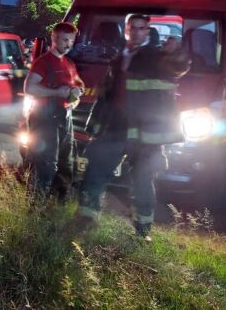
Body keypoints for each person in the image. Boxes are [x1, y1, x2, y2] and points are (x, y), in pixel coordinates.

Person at [74, 14, 190, 241]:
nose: (136, 32)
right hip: (115, 129)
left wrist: (177, 52)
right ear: (126, 30)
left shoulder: (157, 58)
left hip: (146, 135)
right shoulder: (118, 59)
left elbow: (178, 67)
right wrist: (94, 127)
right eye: (132, 28)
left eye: (141, 28)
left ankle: (143, 231)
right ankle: (86, 219)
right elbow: (105, 97)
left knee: (142, 182)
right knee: (94, 173)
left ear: (147, 32)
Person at [24, 22, 84, 202]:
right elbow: (29, 88)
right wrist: (56, 92)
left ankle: (57, 206)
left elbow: (77, 85)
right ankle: (35, 207)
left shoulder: (69, 63)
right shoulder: (43, 62)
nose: (68, 44)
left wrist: (76, 96)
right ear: (54, 38)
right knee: (46, 165)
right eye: (65, 40)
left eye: (71, 41)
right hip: (45, 118)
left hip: (65, 118)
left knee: (66, 163)